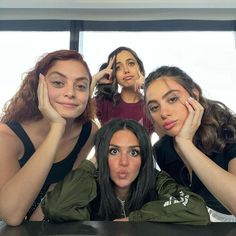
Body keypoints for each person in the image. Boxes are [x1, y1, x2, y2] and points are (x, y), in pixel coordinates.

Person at [41, 119, 210, 225]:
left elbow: (197, 209)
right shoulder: (90, 181)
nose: (123, 162)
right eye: (114, 151)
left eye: (133, 152)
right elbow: (57, 208)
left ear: (144, 157)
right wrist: (92, 162)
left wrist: (134, 219)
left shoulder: (156, 180)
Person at [0, 49, 98, 226]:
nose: (71, 92)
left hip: (45, 221)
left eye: (81, 86)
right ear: (39, 85)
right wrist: (57, 127)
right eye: (59, 83)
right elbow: (11, 215)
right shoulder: (6, 137)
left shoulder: (88, 132)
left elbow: (59, 192)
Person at [144, 66, 236, 222]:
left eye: (172, 99)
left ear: (194, 94)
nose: (164, 113)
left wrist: (185, 143)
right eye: (154, 107)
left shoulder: (230, 131)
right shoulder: (162, 150)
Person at [91, 46, 154, 135]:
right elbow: (79, 110)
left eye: (131, 63)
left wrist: (149, 87)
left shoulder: (151, 106)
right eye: (118, 67)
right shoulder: (105, 102)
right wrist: (95, 79)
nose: (126, 70)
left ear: (140, 69)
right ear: (113, 74)